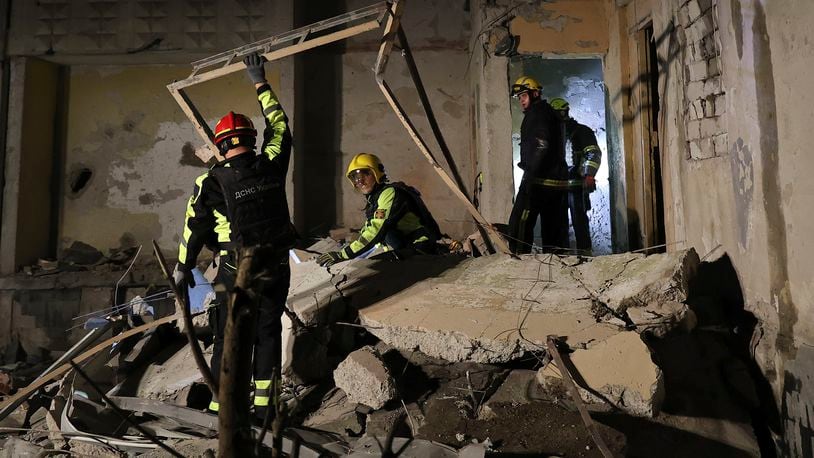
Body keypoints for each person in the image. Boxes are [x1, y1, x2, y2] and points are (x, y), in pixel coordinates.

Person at [173, 52, 296, 422]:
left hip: (233, 268)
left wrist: (182, 267)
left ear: (221, 144)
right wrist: (260, 82)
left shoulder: (210, 181)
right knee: (268, 331)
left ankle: (223, 406)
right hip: (275, 263)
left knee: (229, 334)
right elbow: (280, 124)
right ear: (252, 139)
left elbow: (193, 229)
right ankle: (265, 408)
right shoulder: (272, 162)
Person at [316, 153, 441, 267]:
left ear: (377, 173)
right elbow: (368, 229)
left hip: (419, 247)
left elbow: (376, 229)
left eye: (364, 174)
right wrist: (348, 249)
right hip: (405, 245)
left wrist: (344, 255)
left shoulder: (390, 193)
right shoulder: (375, 198)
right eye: (355, 177)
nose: (359, 181)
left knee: (375, 267)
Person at [506, 76, 569, 254]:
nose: (521, 101)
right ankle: (556, 267)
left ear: (535, 94)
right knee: (553, 231)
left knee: (519, 224)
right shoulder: (550, 113)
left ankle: (519, 262)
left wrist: (530, 176)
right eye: (519, 98)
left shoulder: (537, 114)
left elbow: (542, 144)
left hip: (539, 181)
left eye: (524, 96)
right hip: (556, 182)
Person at [550, 97, 602, 255]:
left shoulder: (582, 132)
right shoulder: (551, 136)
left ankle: (585, 255)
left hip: (577, 186)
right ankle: (560, 257)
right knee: (558, 223)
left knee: (579, 220)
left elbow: (593, 154)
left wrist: (589, 175)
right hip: (556, 187)